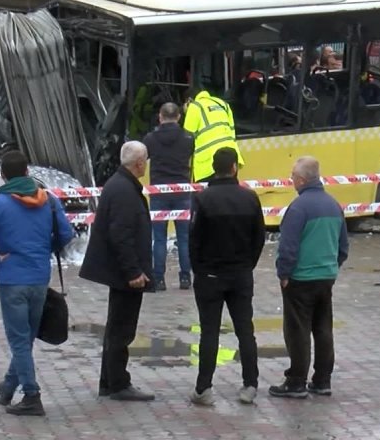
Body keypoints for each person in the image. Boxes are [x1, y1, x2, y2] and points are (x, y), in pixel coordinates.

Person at [0, 150, 75, 417]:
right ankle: (8, 386)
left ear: (3, 176)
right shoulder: (48, 200)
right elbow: (66, 233)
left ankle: (32, 395)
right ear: (27, 172)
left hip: (12, 278)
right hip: (39, 277)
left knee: (19, 340)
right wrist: (45, 249)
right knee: (25, 338)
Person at [186, 147, 265, 406]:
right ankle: (250, 384)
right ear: (234, 168)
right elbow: (259, 238)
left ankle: (203, 388)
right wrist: (247, 265)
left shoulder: (202, 199)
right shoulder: (250, 198)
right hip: (240, 273)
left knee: (209, 331)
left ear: (214, 167)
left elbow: (193, 240)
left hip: (209, 275)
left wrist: (200, 269)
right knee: (245, 330)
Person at [79, 141, 156, 402]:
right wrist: (133, 272)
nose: (147, 163)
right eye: (145, 159)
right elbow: (121, 235)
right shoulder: (124, 190)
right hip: (125, 275)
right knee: (122, 329)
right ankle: (118, 383)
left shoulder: (120, 184)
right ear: (138, 164)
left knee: (116, 328)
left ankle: (109, 381)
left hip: (120, 272)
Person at [271, 156, 349, 398]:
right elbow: (343, 245)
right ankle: (322, 379)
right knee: (323, 328)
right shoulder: (334, 205)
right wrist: (332, 267)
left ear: (302, 180)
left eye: (293, 176)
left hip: (301, 277)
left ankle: (296, 381)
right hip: (326, 276)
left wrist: (284, 273)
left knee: (298, 330)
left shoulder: (298, 208)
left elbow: (288, 245)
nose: (291, 180)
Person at [143, 102, 195, 291]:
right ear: (179, 117)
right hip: (182, 191)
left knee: (159, 237)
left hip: (159, 192)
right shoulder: (188, 138)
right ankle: (185, 278)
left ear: (160, 116)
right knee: (184, 237)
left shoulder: (150, 138)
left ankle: (159, 279)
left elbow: (143, 157)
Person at [183, 83, 243, 182]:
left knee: (208, 195)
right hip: (231, 158)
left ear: (189, 100)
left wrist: (187, 113)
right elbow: (232, 132)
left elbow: (187, 138)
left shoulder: (194, 106)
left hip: (208, 164)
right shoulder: (223, 104)